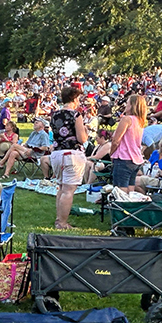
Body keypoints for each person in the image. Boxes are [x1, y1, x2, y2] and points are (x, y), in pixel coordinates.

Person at [43, 85, 89, 229]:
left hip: (56, 154)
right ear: (74, 99)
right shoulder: (76, 115)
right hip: (72, 154)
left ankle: (59, 219)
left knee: (61, 188)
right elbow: (82, 139)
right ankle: (62, 223)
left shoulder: (54, 115)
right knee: (69, 190)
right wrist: (85, 131)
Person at [109, 92, 148, 192]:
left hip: (124, 157)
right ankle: (130, 206)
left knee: (120, 188)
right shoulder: (140, 121)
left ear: (133, 106)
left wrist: (111, 153)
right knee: (130, 186)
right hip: (135, 158)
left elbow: (116, 141)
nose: (125, 105)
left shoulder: (127, 119)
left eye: (127, 103)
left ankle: (120, 206)